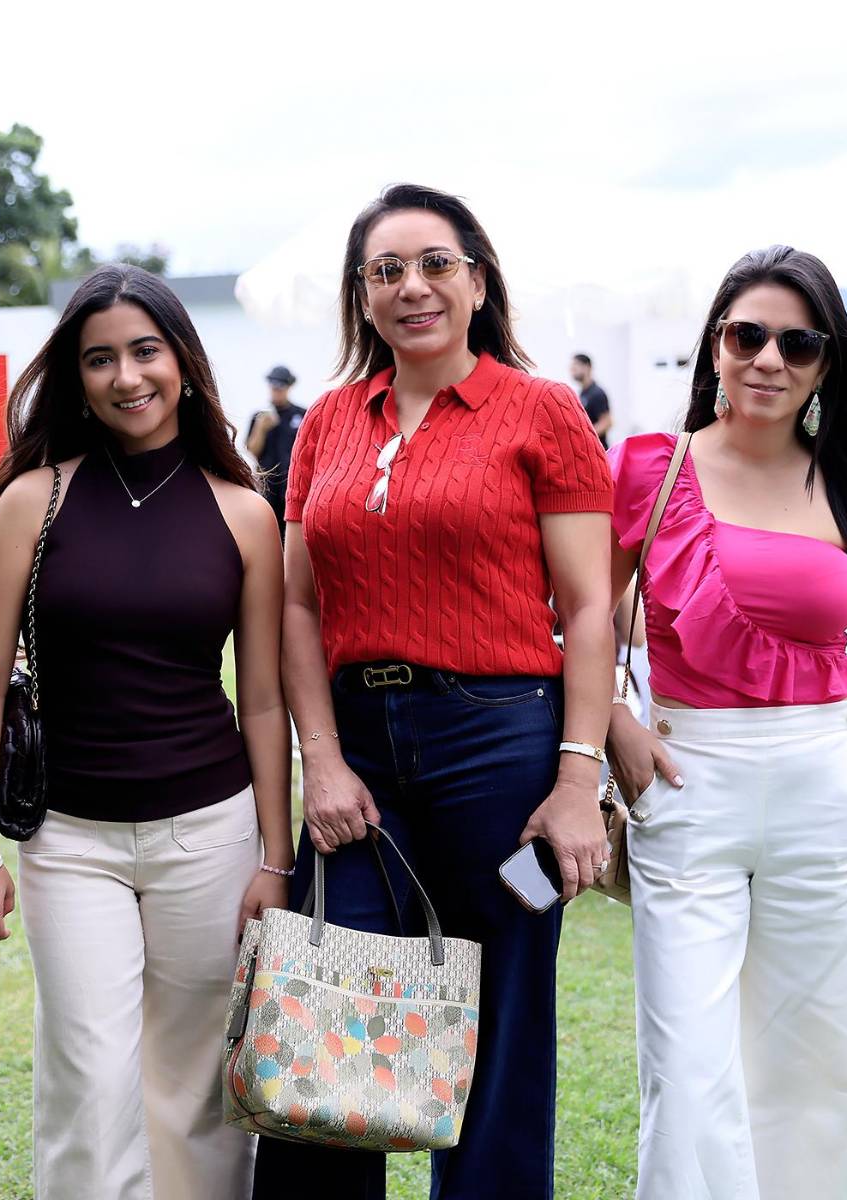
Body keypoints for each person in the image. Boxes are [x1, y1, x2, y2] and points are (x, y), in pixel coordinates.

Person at [251, 183, 615, 1200]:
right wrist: (321, 759)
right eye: (386, 271)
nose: (412, 287)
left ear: (476, 282)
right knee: (328, 1011)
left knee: (501, 1021)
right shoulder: (327, 422)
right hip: (358, 747)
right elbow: (298, 606)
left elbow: (590, 606)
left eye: (434, 264)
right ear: (362, 296)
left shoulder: (541, 411)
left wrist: (576, 779)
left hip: (500, 742)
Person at [0, 264, 292, 1200]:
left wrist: (276, 855)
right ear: (76, 377)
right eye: (99, 359)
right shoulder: (34, 500)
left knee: (194, 1083)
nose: (126, 376)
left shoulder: (245, 514)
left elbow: (263, 701)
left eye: (145, 351)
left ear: (183, 360)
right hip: (69, 842)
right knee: (88, 1076)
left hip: (209, 836)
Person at [605, 245, 847, 1200]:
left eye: (798, 343)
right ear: (714, 346)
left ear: (826, 364)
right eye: (746, 336)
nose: (768, 360)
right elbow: (574, 617)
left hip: (823, 785)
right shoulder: (648, 470)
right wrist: (617, 721)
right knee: (686, 1070)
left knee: (815, 1067)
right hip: (687, 782)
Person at [245, 364, 306, 532]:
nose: (276, 390)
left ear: (289, 386)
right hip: (268, 484)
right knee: (268, 529)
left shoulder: (302, 414)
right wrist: (261, 428)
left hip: (293, 484)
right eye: (273, 385)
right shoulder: (260, 416)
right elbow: (252, 451)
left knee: (291, 528)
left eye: (281, 386)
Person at [571, 353, 612, 446]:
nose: (572, 370)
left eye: (575, 366)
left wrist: (585, 437)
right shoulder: (583, 393)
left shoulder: (597, 393)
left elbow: (607, 422)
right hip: (588, 448)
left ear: (587, 367)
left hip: (599, 448)